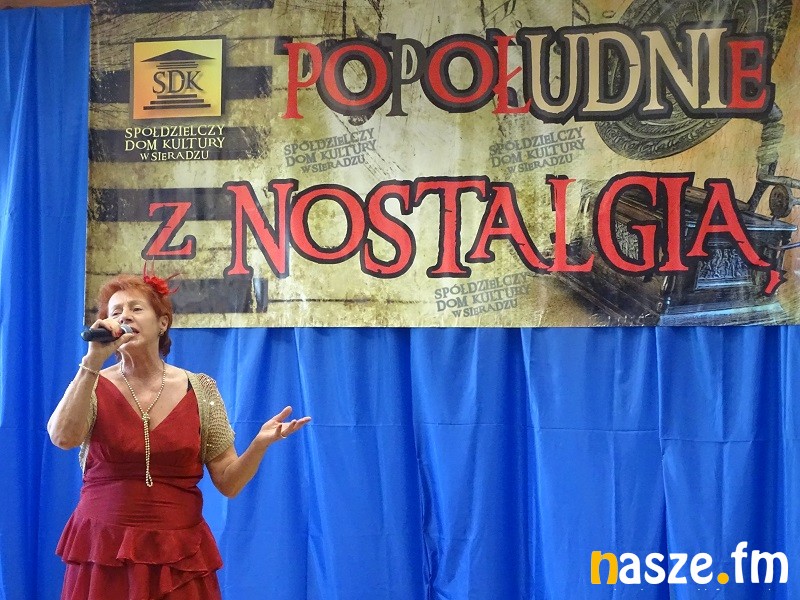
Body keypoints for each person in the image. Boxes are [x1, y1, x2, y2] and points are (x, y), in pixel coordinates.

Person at [47, 270, 311, 599]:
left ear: (162, 323)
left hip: (179, 553)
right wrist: (92, 362)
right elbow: (63, 438)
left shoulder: (201, 389)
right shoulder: (92, 383)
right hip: (104, 550)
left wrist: (259, 444)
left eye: (136, 308)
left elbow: (229, 483)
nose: (125, 316)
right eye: (116, 312)